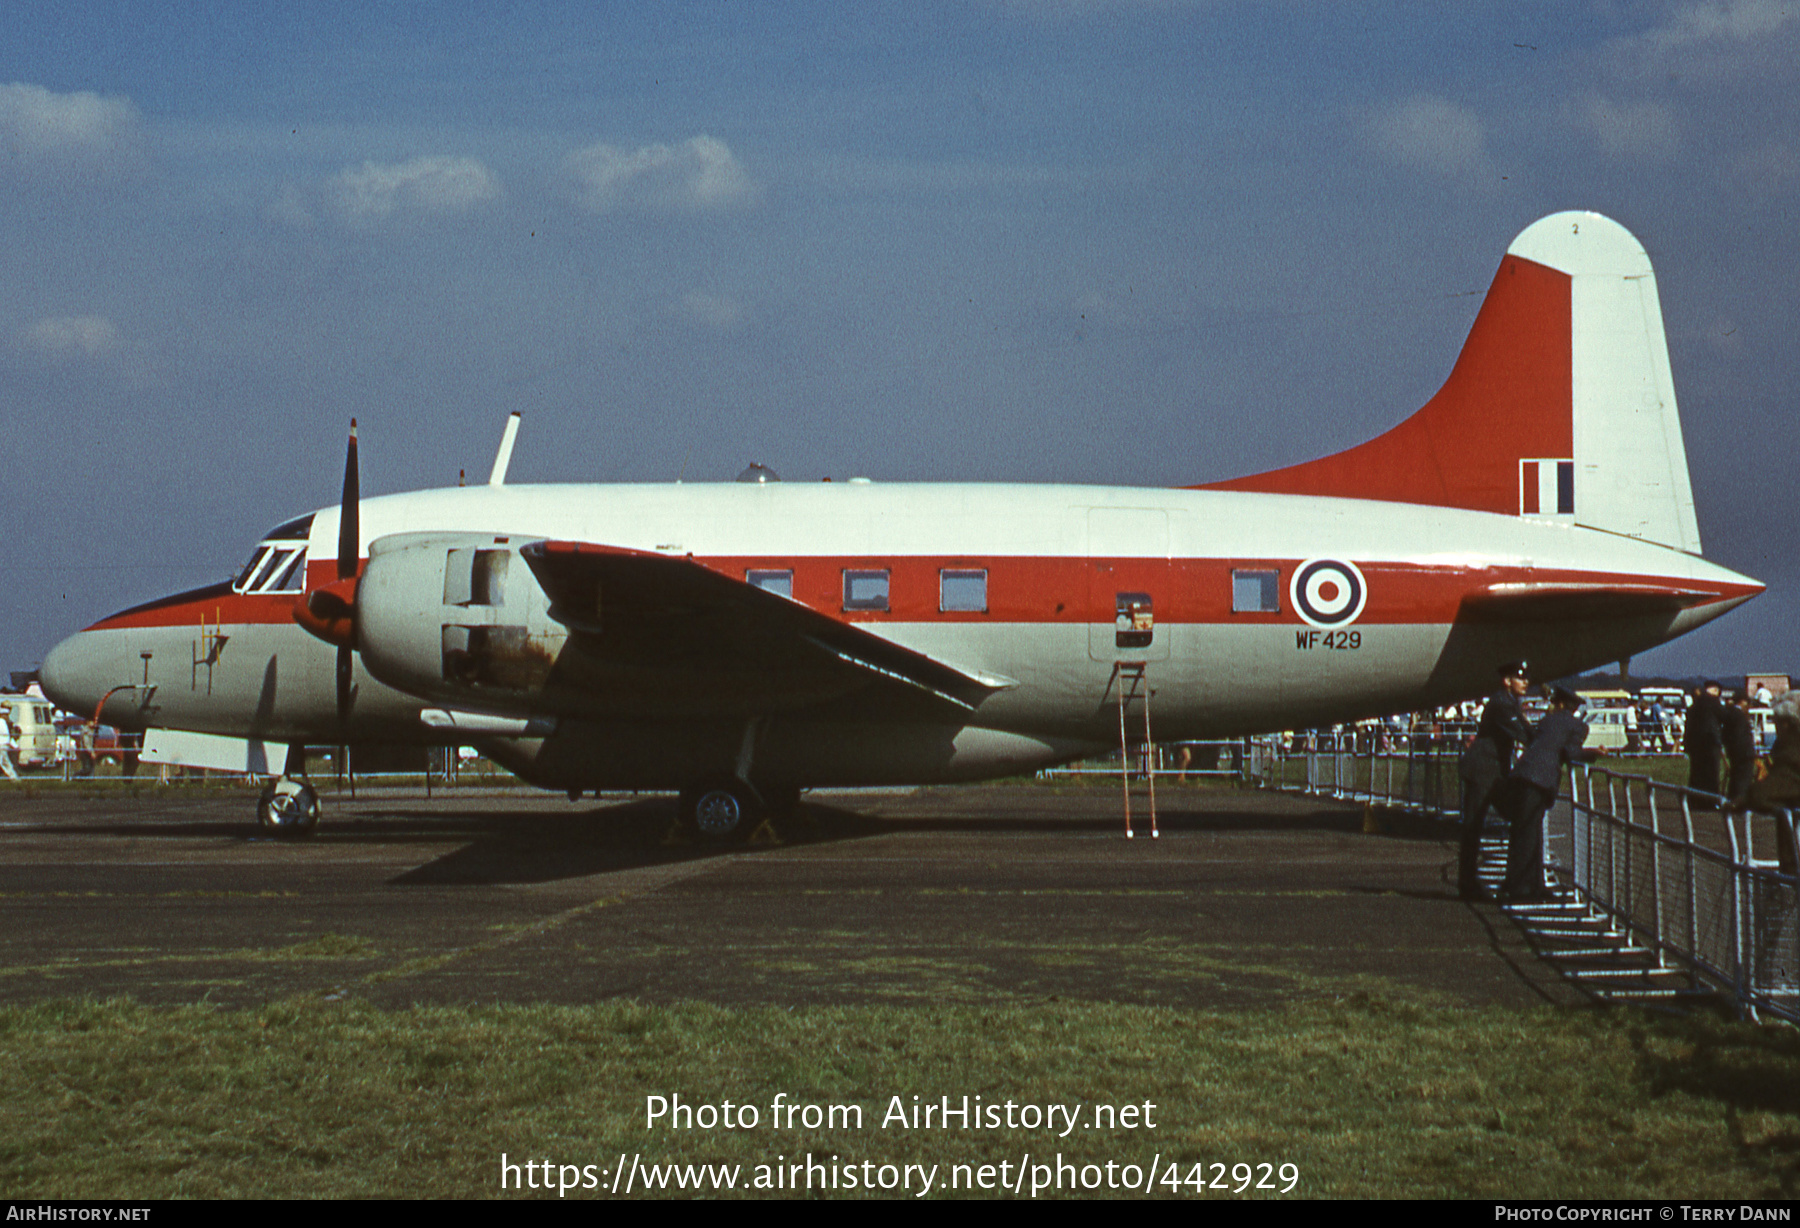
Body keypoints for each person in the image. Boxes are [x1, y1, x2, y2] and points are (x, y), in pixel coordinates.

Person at [1500, 686, 1603, 901]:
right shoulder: (1579, 726)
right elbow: (1570, 753)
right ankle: (1523, 889)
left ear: (1560, 704)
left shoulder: (1547, 721)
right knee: (1530, 834)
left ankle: (1523, 884)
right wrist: (1594, 754)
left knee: (1524, 832)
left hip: (1523, 774)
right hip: (1540, 780)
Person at [1456, 660, 1533, 900]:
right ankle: (1468, 885)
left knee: (1519, 815)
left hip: (1494, 773)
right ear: (1507, 681)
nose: (1525, 682)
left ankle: (1517, 879)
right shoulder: (1501, 703)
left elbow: (1524, 730)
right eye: (1520, 678)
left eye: (1525, 678)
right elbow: (1520, 732)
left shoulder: (1510, 703)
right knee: (1473, 827)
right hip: (1482, 771)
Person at [1684, 680, 1725, 799]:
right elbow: (1724, 716)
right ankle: (1711, 800)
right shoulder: (1713, 702)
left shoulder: (1693, 706)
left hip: (1695, 744)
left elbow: (1689, 726)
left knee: (1696, 773)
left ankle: (1694, 799)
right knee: (1711, 772)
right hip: (1710, 741)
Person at [1722, 690, 1758, 808]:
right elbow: (1740, 736)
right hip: (1743, 753)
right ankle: (1740, 802)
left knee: (1735, 777)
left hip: (1734, 752)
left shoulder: (1730, 713)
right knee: (1744, 778)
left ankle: (1732, 800)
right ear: (1743, 702)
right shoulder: (1740, 716)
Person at [0, 716, 18, 781]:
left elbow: (4, 733)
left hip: (2, 744)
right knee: (4, 762)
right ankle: (13, 776)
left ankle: (13, 777)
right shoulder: (2, 722)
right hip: (3, 743)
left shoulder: (1, 722)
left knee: (4, 762)